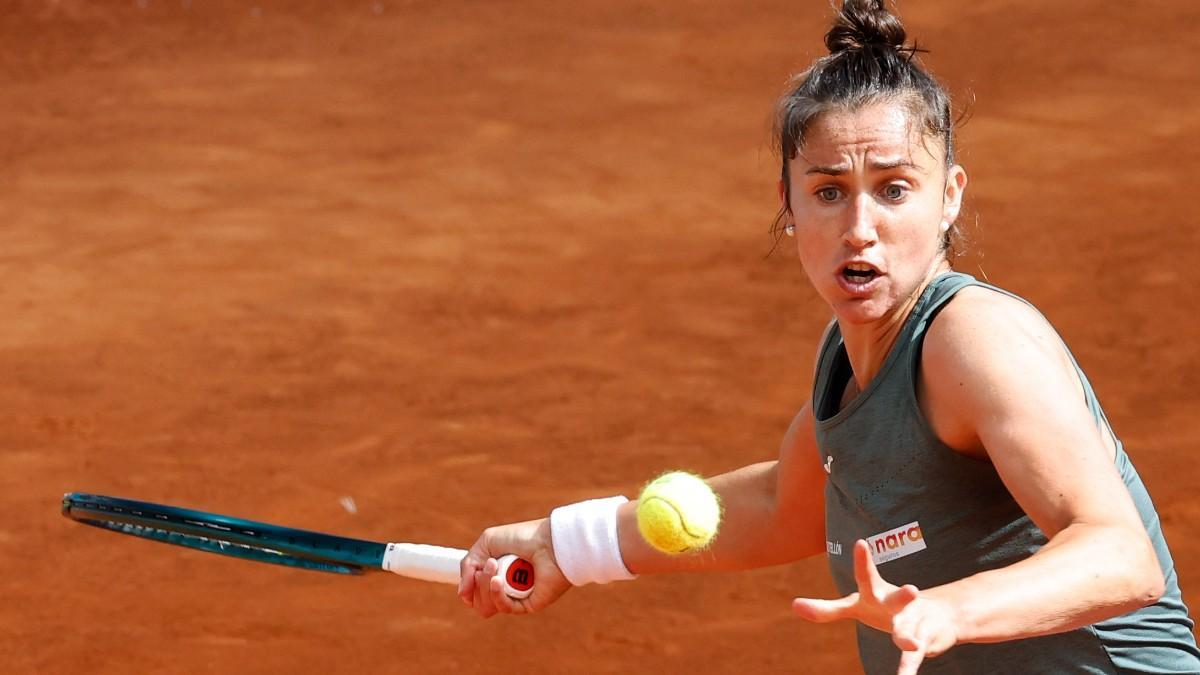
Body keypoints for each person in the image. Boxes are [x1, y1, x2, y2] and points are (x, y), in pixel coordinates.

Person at [456, 1, 1200, 672]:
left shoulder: (974, 340)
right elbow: (784, 502)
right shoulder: (848, 355)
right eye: (829, 191)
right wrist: (566, 545)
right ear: (788, 202)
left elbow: (1120, 555)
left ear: (949, 196)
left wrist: (949, 609)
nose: (860, 229)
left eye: (894, 189)